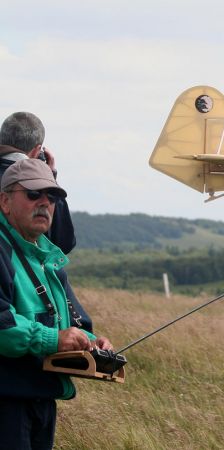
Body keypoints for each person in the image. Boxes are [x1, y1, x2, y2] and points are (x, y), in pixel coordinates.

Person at [0, 159, 112, 450]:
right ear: (5, 201)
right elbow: (3, 327)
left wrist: (90, 342)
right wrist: (54, 339)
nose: (45, 204)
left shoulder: (47, 257)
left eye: (52, 197)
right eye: (33, 194)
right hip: (7, 403)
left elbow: (64, 325)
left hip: (40, 398)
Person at [0, 112, 76, 254]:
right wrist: (49, 179)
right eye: (33, 193)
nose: (45, 200)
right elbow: (63, 242)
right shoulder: (23, 182)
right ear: (37, 151)